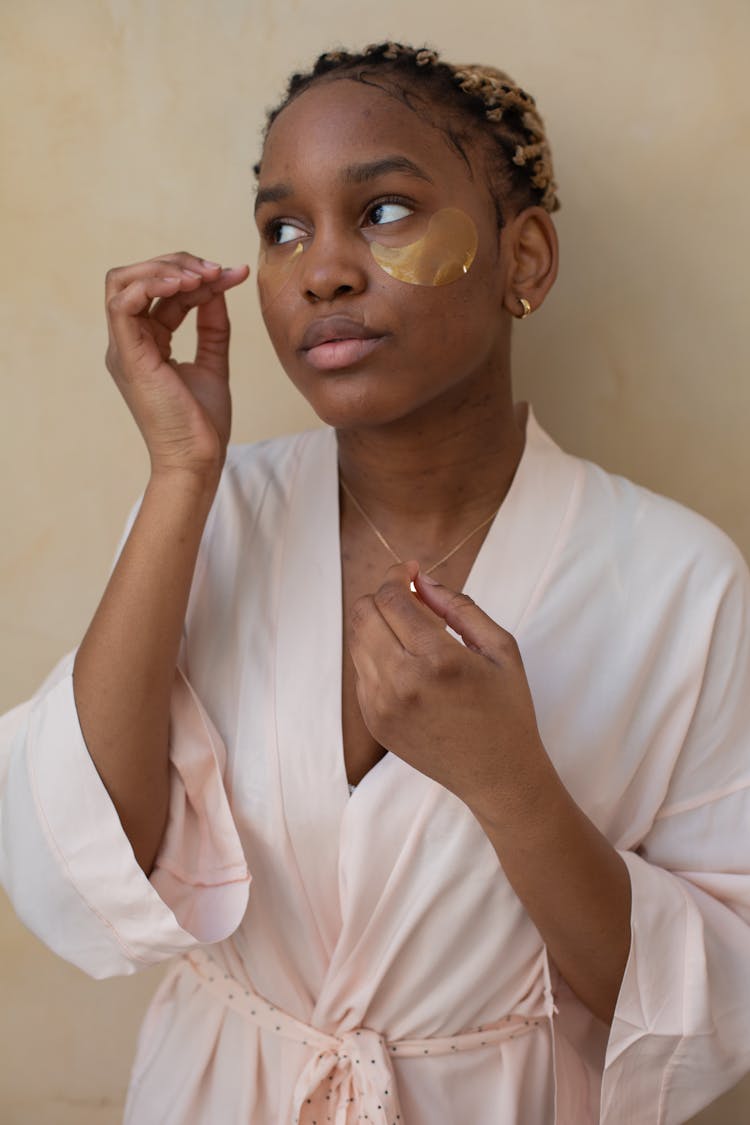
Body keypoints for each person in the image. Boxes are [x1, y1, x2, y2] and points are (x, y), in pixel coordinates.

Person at [1, 40, 749, 1125]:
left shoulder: (682, 584)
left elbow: (707, 1004)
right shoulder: (212, 517)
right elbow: (86, 857)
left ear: (524, 260)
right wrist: (180, 470)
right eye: (281, 228)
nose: (321, 270)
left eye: (387, 211)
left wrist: (510, 783)